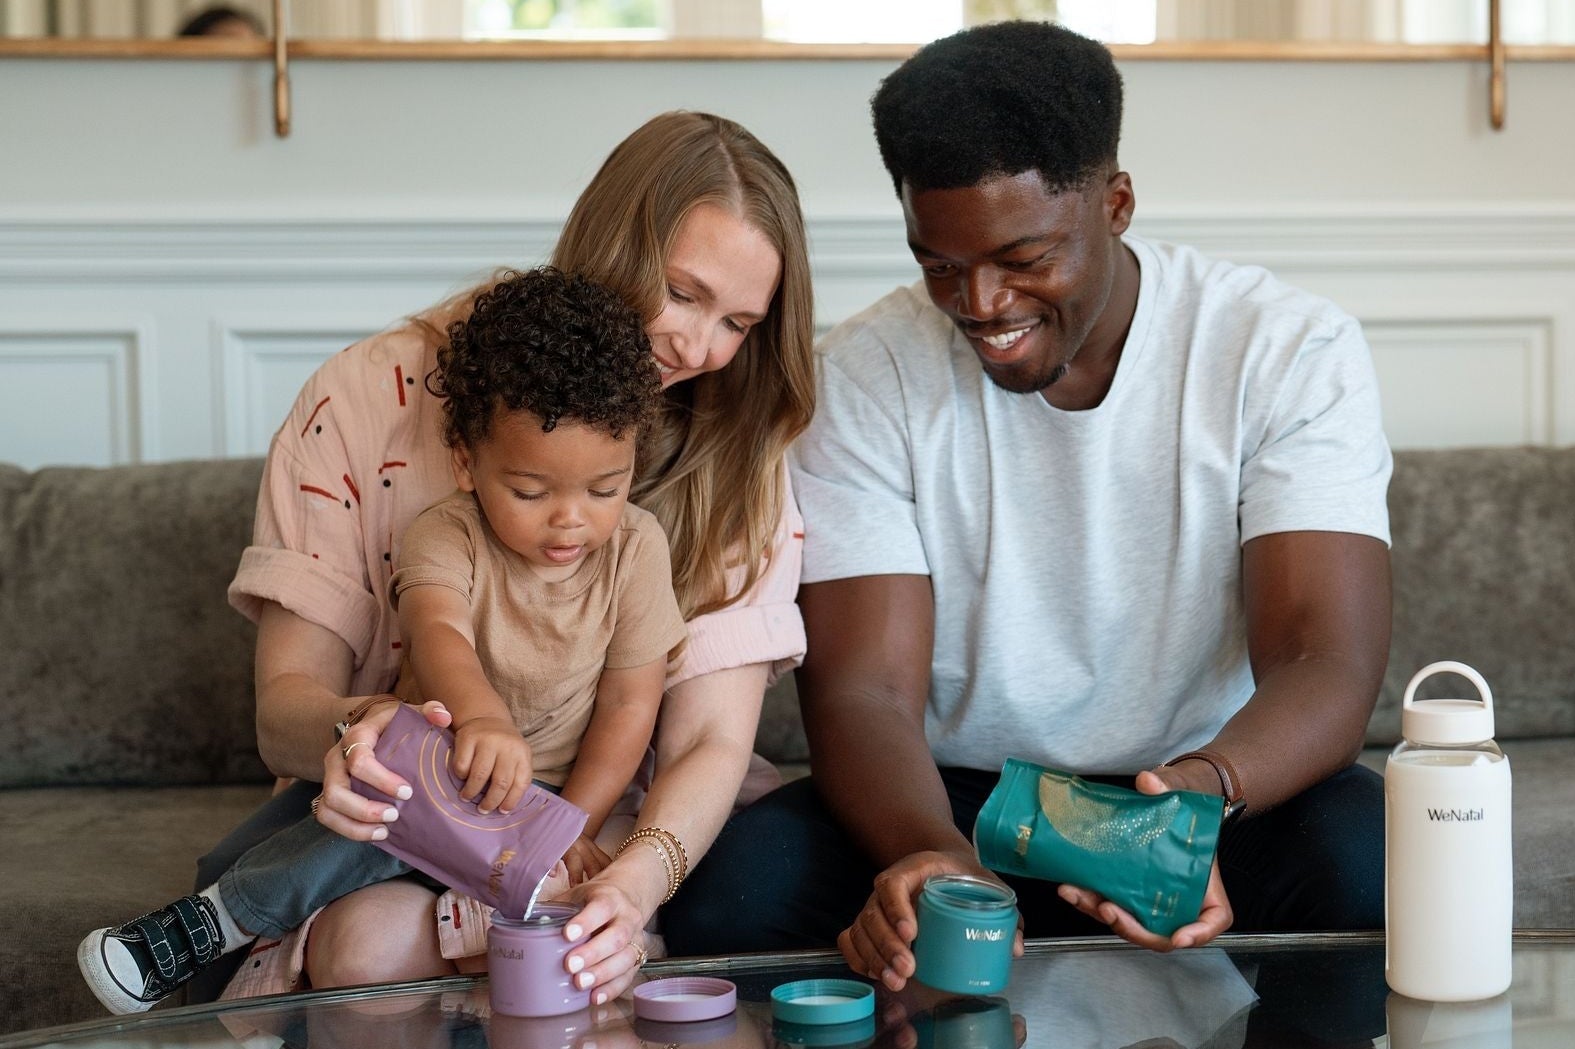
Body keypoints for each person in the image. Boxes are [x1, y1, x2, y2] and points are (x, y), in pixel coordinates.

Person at [664, 20, 1394, 988]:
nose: (979, 302)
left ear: (1116, 202)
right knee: (734, 895)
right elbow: (861, 691)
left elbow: (1323, 659)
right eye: (939, 264)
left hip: (1202, 789)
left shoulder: (1283, 349)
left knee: (1373, 871)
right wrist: (929, 854)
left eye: (1023, 256)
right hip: (961, 798)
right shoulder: (867, 371)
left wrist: (1188, 802)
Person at [186, 111, 814, 1009]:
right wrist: (364, 732)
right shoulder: (368, 397)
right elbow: (284, 709)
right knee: (373, 942)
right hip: (403, 817)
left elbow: (710, 739)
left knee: (621, 927)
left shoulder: (738, 447)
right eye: (680, 292)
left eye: (739, 323)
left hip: (615, 830)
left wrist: (631, 876)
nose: (698, 348)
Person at [78, 268, 685, 1014]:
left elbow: (631, 703)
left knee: (539, 877)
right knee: (345, 818)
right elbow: (438, 636)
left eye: (604, 488)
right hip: (441, 770)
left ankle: (245, 936)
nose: (570, 521)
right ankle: (222, 935)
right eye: (531, 491)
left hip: (557, 797)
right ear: (467, 460)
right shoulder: (443, 532)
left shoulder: (637, 549)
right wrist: (482, 720)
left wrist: (570, 825)